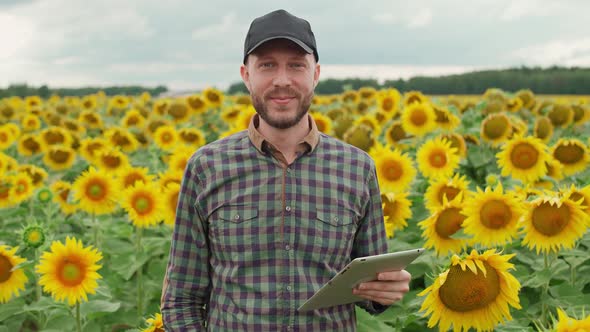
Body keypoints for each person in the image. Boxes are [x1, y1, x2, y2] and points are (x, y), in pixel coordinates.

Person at [161, 9, 411, 331]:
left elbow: (367, 288)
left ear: (315, 74)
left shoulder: (357, 168)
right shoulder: (207, 167)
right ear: (246, 74)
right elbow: (180, 298)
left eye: (296, 65)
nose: (282, 80)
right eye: (267, 65)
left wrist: (383, 291)